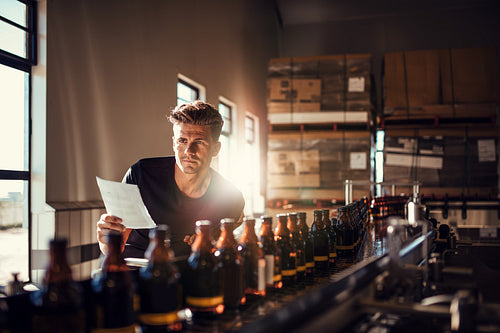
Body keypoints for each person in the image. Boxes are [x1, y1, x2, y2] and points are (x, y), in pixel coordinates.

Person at [96, 100, 245, 258]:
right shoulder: (142, 175)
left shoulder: (230, 198)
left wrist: (212, 242)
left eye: (199, 142)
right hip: (135, 269)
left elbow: (229, 247)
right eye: (182, 141)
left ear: (216, 149)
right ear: (174, 143)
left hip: (189, 275)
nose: (189, 151)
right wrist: (106, 240)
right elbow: (112, 249)